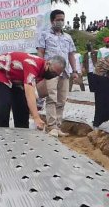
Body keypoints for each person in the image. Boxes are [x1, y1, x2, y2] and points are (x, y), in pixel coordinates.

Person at [0, 52, 66, 129]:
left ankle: (22, 131)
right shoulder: (33, 64)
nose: (53, 75)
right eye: (53, 72)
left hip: (15, 77)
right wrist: (36, 117)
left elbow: (39, 93)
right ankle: (2, 132)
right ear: (48, 63)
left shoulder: (44, 71)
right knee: (4, 103)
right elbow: (29, 92)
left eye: (56, 75)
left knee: (22, 105)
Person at [37, 9, 78, 137]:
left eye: (62, 20)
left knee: (62, 100)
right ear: (52, 21)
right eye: (58, 20)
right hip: (50, 72)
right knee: (51, 98)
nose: (60, 22)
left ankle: (58, 126)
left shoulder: (68, 37)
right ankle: (51, 126)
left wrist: (74, 71)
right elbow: (40, 53)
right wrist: (42, 70)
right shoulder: (44, 35)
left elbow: (71, 54)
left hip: (65, 72)